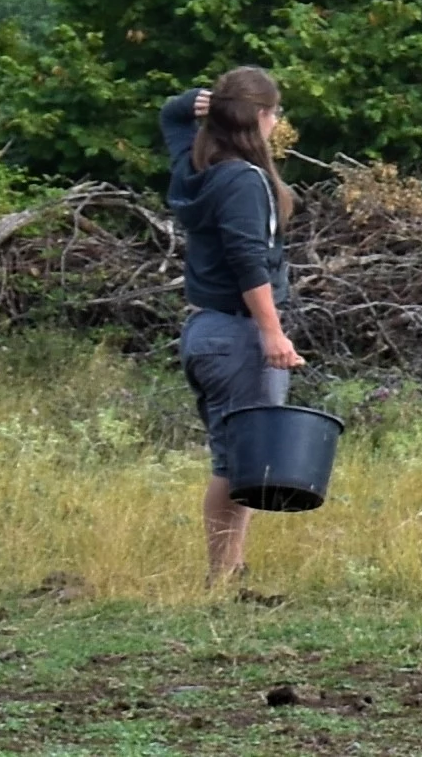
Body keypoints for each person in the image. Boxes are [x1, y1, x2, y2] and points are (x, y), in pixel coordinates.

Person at [164, 66, 299, 589]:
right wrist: (272, 332)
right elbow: (249, 262)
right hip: (238, 332)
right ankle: (222, 575)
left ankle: (233, 568)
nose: (276, 121)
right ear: (261, 116)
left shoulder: (195, 167)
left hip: (205, 331)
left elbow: (171, 116)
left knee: (239, 451)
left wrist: (196, 101)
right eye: (274, 112)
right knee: (237, 457)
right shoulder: (242, 180)